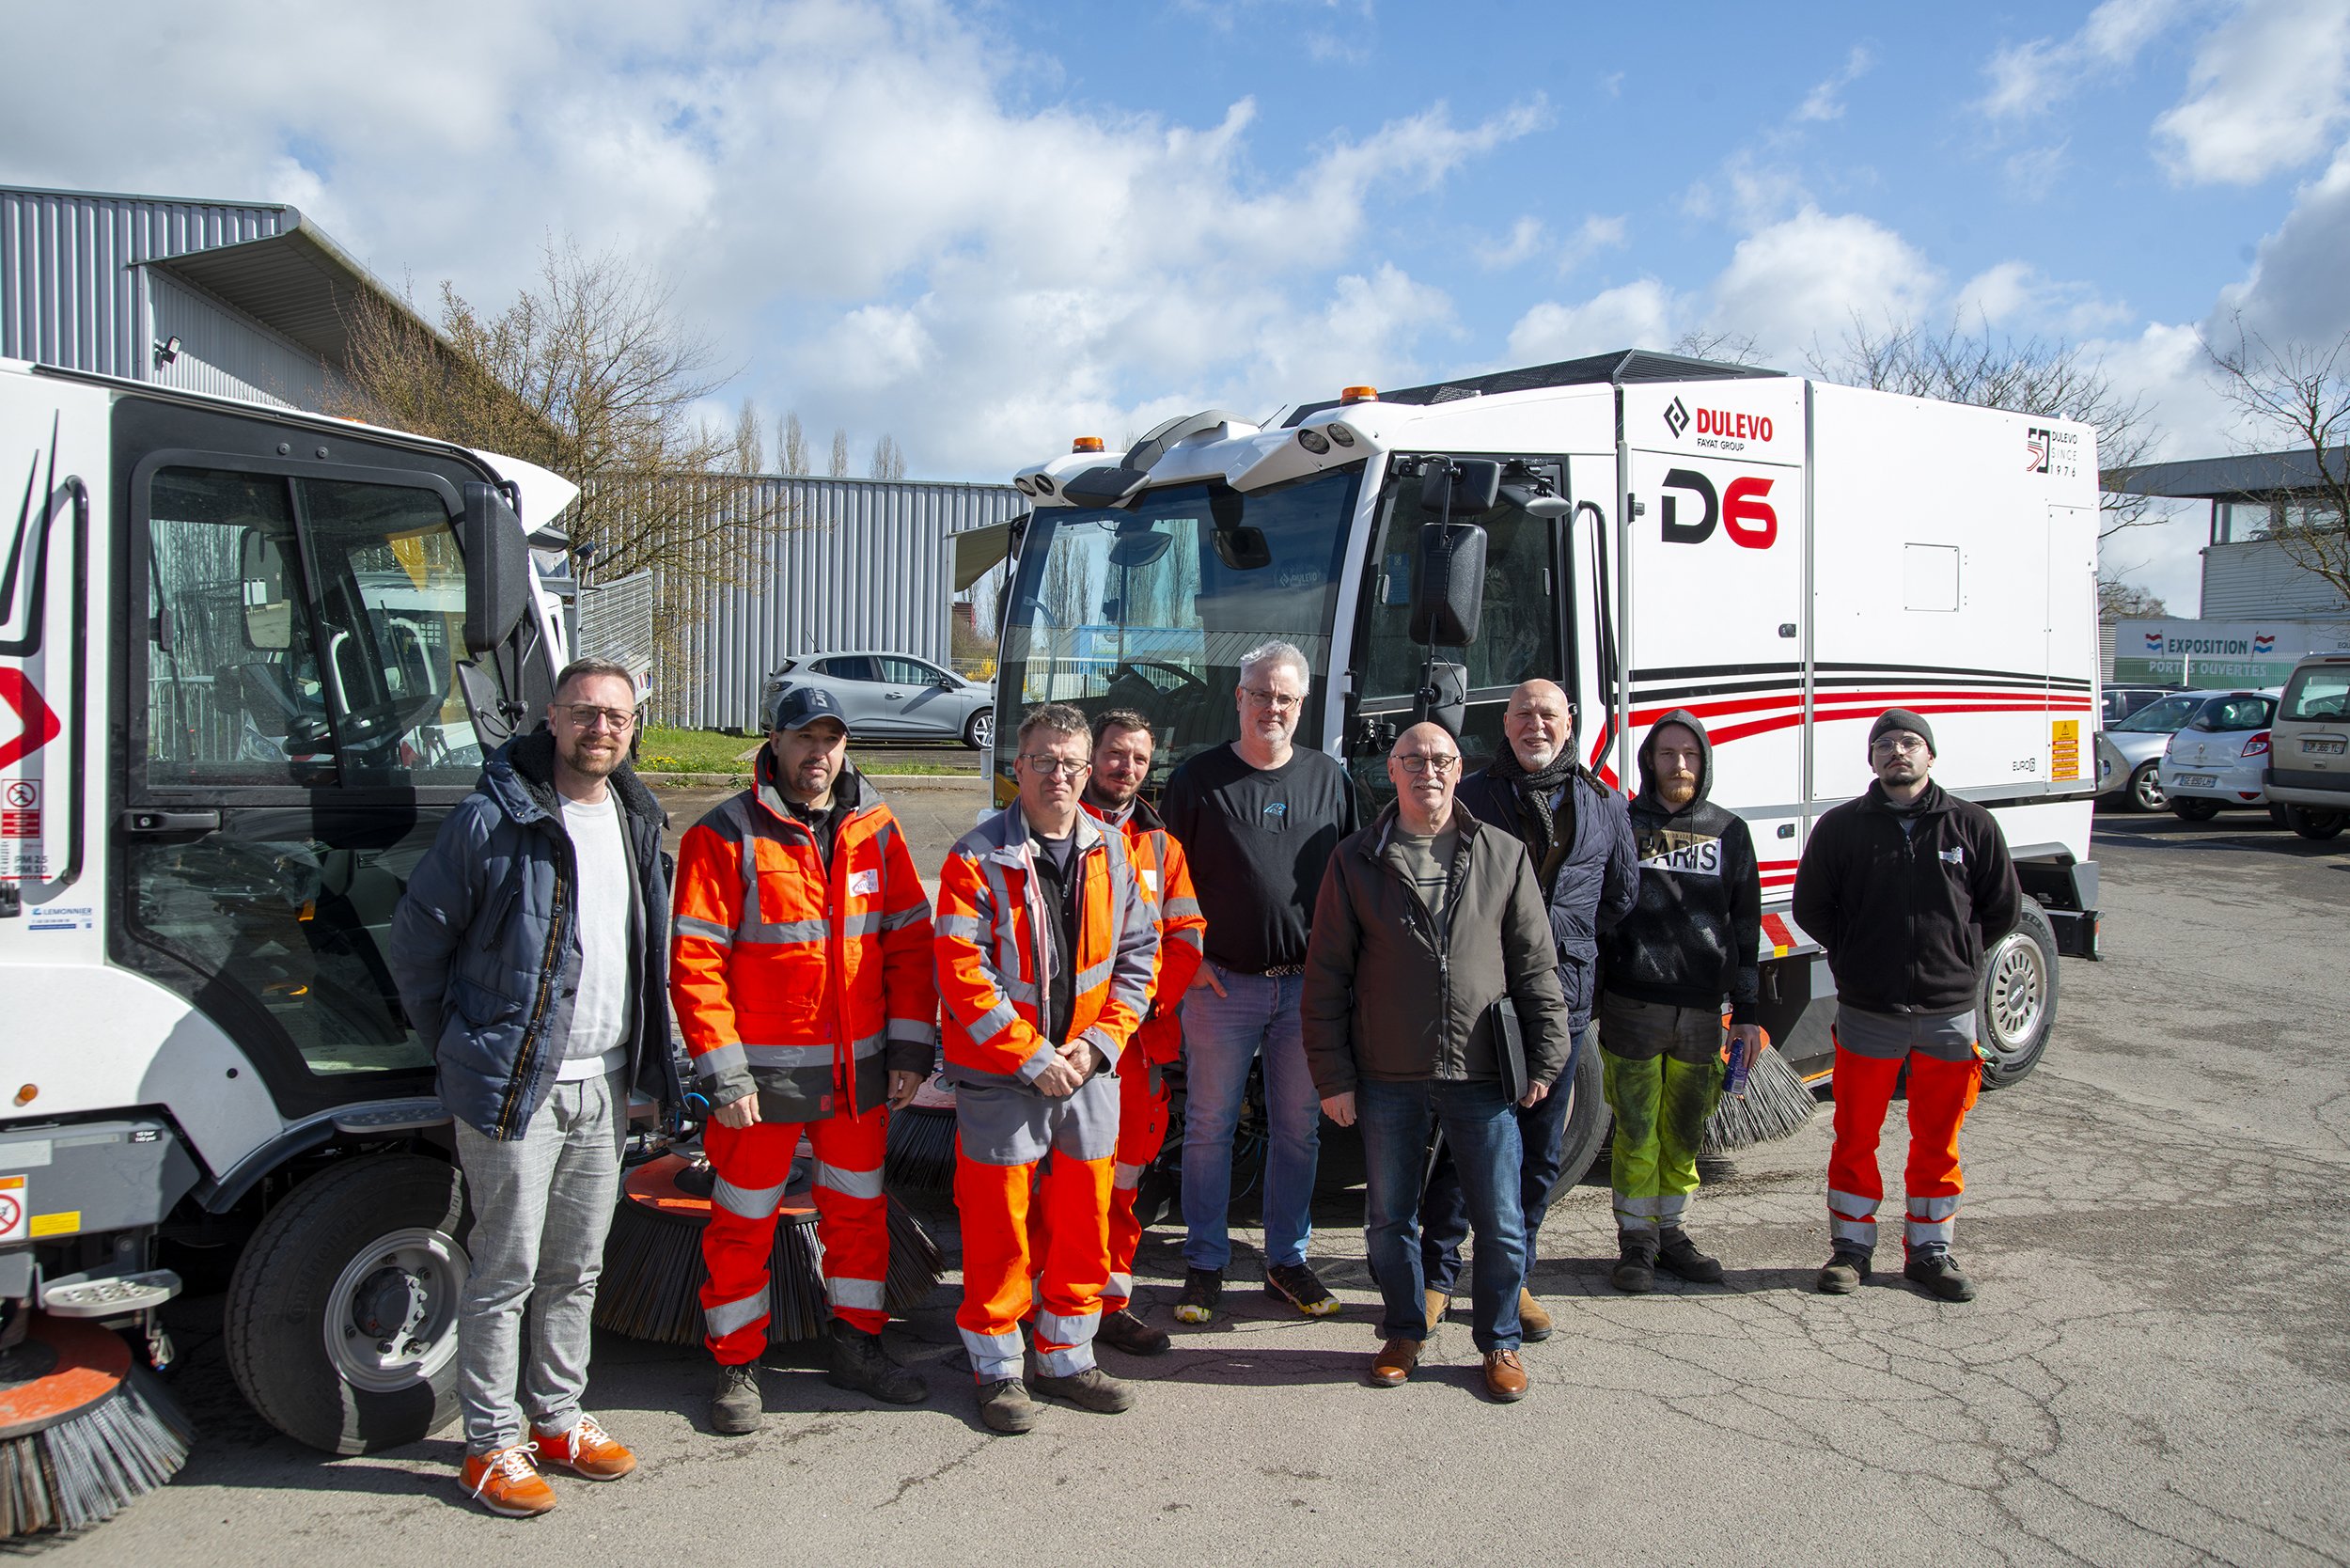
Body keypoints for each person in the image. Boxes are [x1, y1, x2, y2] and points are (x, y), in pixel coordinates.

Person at [389, 659, 680, 1518]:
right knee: (506, 1270)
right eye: (585, 713)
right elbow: (418, 942)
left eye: (617, 717)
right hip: (516, 1085)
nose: (601, 729)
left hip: (606, 1082)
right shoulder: (494, 818)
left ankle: (557, 1416)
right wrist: (460, 1044)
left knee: (577, 1267)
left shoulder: (636, 816)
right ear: (551, 719)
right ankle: (488, 1443)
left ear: (633, 728)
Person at [669, 685, 937, 1435]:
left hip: (858, 1081)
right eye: (804, 738)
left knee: (858, 1219)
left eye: (832, 740)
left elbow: (910, 950)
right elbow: (695, 964)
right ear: (775, 743)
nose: (818, 754)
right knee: (742, 1222)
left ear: (844, 748)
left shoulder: (876, 831)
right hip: (760, 1086)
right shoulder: (722, 835)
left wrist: (913, 1050)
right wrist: (722, 1074)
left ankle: (857, 1346)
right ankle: (735, 1366)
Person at [1303, 723, 1572, 1401]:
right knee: (1390, 1219)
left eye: (1442, 758)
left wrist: (1546, 1057)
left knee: (1501, 1220)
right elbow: (1327, 976)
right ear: (1390, 771)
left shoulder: (1502, 853)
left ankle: (1501, 1341)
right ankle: (1403, 1330)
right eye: (1413, 758)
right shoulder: (1355, 858)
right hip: (1387, 1074)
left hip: (1482, 1072)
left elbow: (1536, 965)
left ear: (1460, 770)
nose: (1429, 769)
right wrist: (1332, 1078)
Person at [934, 704, 1156, 1434]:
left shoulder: (1117, 853)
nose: (1058, 775)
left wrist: (1096, 1048)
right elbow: (963, 973)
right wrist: (1031, 1055)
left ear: (1087, 771)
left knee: (1084, 1221)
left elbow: (1138, 960)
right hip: (1005, 1076)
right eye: (1043, 762)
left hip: (1089, 1073)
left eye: (1070, 764)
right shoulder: (975, 856)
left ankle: (1065, 1357)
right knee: (1000, 1227)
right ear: (1017, 769)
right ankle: (997, 1370)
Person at [1423, 679, 1635, 1339]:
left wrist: (1563, 948)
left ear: (1569, 724)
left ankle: (1512, 1279)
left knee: (1540, 1154)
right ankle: (1435, 1275)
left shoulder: (1605, 806)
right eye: (1523, 715)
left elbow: (1621, 896)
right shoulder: (1473, 797)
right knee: (1466, 1145)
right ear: (1505, 725)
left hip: (1561, 1006)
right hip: (1483, 1003)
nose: (1535, 725)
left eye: (1548, 714)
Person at [1160, 640, 1361, 1324]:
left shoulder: (1329, 780)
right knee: (1210, 1126)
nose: (1272, 706)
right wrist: (1188, 969)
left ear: (1301, 705)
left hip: (1306, 989)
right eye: (1261, 694)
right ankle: (1204, 1263)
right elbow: (1164, 883)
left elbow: (1352, 883)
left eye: (1286, 697)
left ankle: (1287, 1261)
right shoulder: (1196, 781)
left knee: (1299, 1131)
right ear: (1238, 698)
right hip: (1221, 987)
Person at [1792, 708, 2019, 1303]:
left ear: (1930, 756)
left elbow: (2001, 910)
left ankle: (1930, 1251)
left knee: (1938, 1137)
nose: (1898, 752)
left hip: (1948, 1015)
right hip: (1869, 1012)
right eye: (1885, 744)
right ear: (1871, 759)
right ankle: (1851, 1249)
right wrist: (1856, 959)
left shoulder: (1972, 826)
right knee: (1854, 1134)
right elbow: (1813, 907)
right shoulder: (1842, 828)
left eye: (1910, 743)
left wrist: (1957, 961)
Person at [1595, 710, 1762, 1292]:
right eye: (1667, 754)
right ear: (1649, 761)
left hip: (1701, 1012)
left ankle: (1672, 1235)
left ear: (1705, 760)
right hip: (1631, 1005)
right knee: (1637, 1129)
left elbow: (1746, 928)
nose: (1679, 765)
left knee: (1685, 1129)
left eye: (1690, 754)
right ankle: (1635, 1244)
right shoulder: (1622, 823)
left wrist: (1747, 1014)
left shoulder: (1729, 831)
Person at [1073, 710, 1207, 1355]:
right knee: (1062, 1187)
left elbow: (1187, 939)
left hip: (1138, 1047)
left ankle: (1110, 1305)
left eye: (1139, 760)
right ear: (1091, 755)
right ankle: (1047, 1302)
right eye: (1116, 755)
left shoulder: (1162, 847)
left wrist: (1145, 1006)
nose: (1126, 769)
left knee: (1124, 1185)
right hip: (1071, 1049)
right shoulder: (1057, 832)